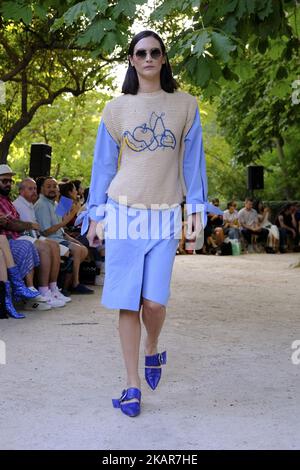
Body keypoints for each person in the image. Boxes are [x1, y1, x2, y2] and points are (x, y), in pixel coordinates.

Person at [82, 30, 221, 417]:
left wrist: (195, 211)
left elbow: (193, 166)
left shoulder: (186, 106)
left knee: (154, 302)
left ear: (163, 59)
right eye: (140, 52)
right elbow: (103, 167)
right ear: (131, 59)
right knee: (128, 303)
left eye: (154, 52)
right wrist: (96, 215)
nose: (147, 58)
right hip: (123, 211)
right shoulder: (115, 109)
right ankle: (131, 386)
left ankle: (152, 347)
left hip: (164, 214)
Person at [34, 176, 94, 294]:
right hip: (50, 239)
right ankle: (72, 284)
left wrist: (73, 238)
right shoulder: (64, 203)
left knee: (83, 247)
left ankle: (66, 284)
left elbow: (61, 229)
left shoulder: (56, 203)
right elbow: (52, 229)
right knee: (81, 247)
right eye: (75, 189)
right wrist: (72, 213)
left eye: (55, 186)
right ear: (70, 192)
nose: (77, 192)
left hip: (62, 236)